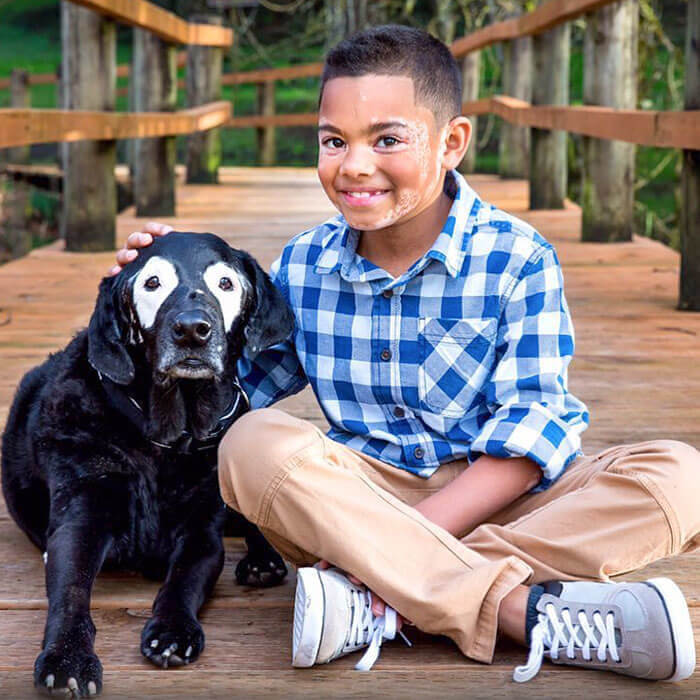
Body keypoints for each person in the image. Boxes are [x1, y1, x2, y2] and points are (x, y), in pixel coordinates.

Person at [112, 25, 699, 683]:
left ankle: (374, 596)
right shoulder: (304, 265)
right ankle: (519, 611)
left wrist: (402, 545)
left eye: (387, 139)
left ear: (452, 143)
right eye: (334, 141)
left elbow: (536, 424)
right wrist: (164, 297)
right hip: (356, 492)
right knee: (252, 444)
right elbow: (227, 390)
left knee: (680, 477)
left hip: (495, 490)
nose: (355, 165)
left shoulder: (517, 257)